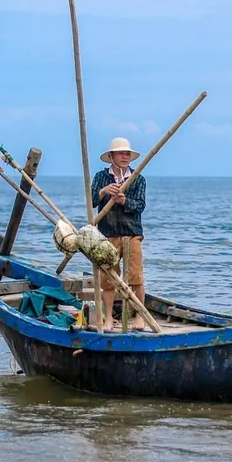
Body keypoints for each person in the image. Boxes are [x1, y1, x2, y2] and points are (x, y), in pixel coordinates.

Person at [91, 137, 148, 332]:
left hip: (131, 233)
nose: (125, 156)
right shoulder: (101, 177)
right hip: (107, 234)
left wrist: (124, 201)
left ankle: (139, 316)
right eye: (121, 153)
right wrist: (103, 192)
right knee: (107, 278)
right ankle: (108, 318)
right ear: (111, 156)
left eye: (128, 154)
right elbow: (90, 200)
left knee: (135, 276)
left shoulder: (137, 178)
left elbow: (140, 205)